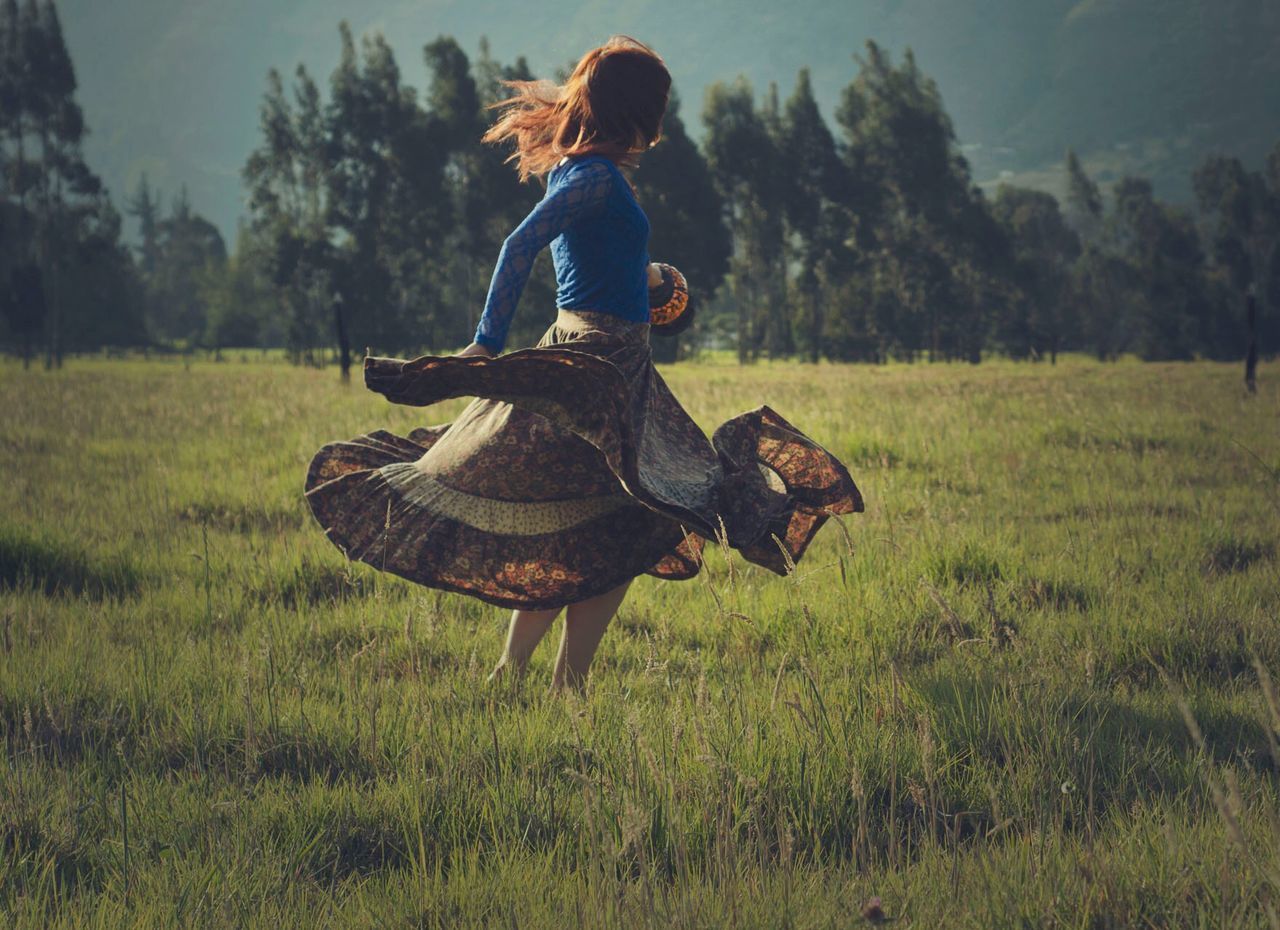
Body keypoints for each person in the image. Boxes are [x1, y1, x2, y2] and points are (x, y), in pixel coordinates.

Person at [304, 36, 862, 692]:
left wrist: (649, 278)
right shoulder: (595, 178)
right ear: (636, 114)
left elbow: (587, 260)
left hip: (602, 362)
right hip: (598, 368)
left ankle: (516, 677)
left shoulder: (580, 171)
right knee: (633, 520)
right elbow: (520, 247)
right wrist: (485, 344)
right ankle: (559, 681)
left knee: (580, 518)